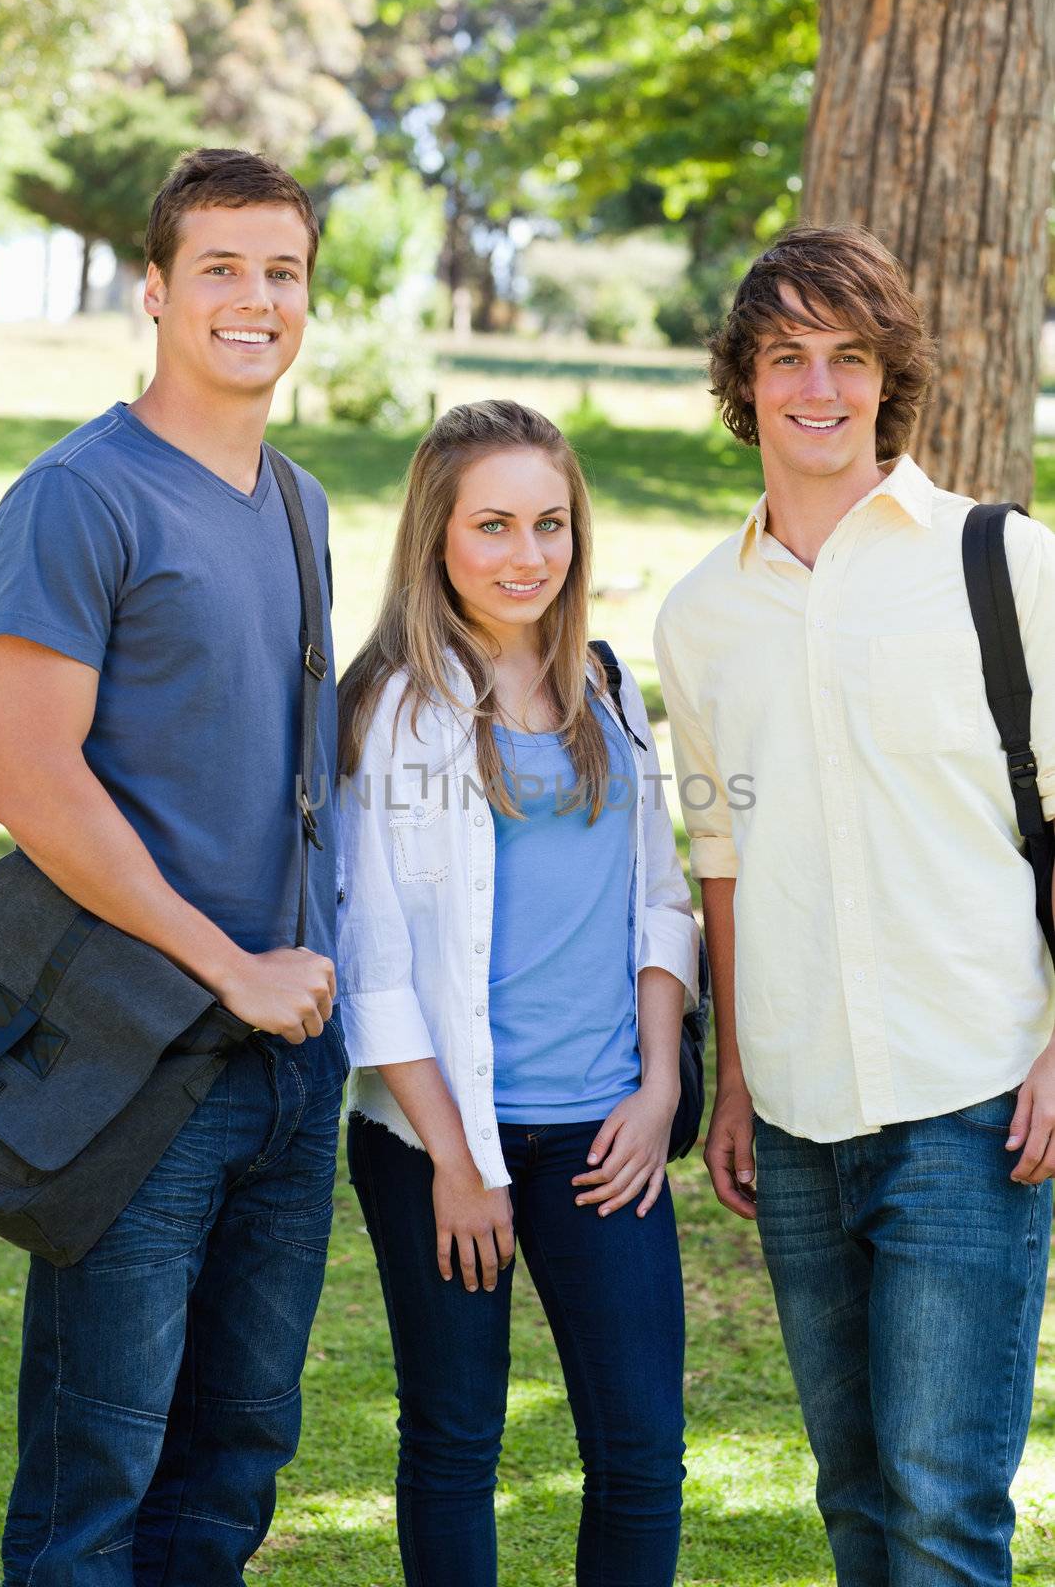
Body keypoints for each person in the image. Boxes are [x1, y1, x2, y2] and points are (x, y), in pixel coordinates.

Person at [655, 224, 1055, 1584]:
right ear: (742, 381)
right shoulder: (701, 613)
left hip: (969, 1094)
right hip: (795, 1114)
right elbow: (720, 854)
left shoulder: (1001, 564)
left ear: (889, 378)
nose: (815, 387)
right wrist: (732, 1085)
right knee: (854, 1504)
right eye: (784, 356)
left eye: (847, 356)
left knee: (942, 1510)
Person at [0, 148, 344, 1586]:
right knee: (99, 1479)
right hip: (139, 1060)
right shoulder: (80, 498)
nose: (254, 300)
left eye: (282, 272)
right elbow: (24, 775)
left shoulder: (300, 502)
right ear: (153, 288)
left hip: (288, 1069)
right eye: (220, 267)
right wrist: (232, 969)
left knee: (234, 1464)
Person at [335, 399, 699, 1587]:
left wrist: (657, 1087)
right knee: (453, 1442)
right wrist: (457, 1162)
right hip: (440, 1145)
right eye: (491, 525)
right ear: (436, 535)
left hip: (604, 1133)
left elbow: (658, 900)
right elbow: (378, 966)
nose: (524, 554)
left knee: (640, 1453)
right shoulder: (392, 709)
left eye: (549, 524)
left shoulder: (605, 686)